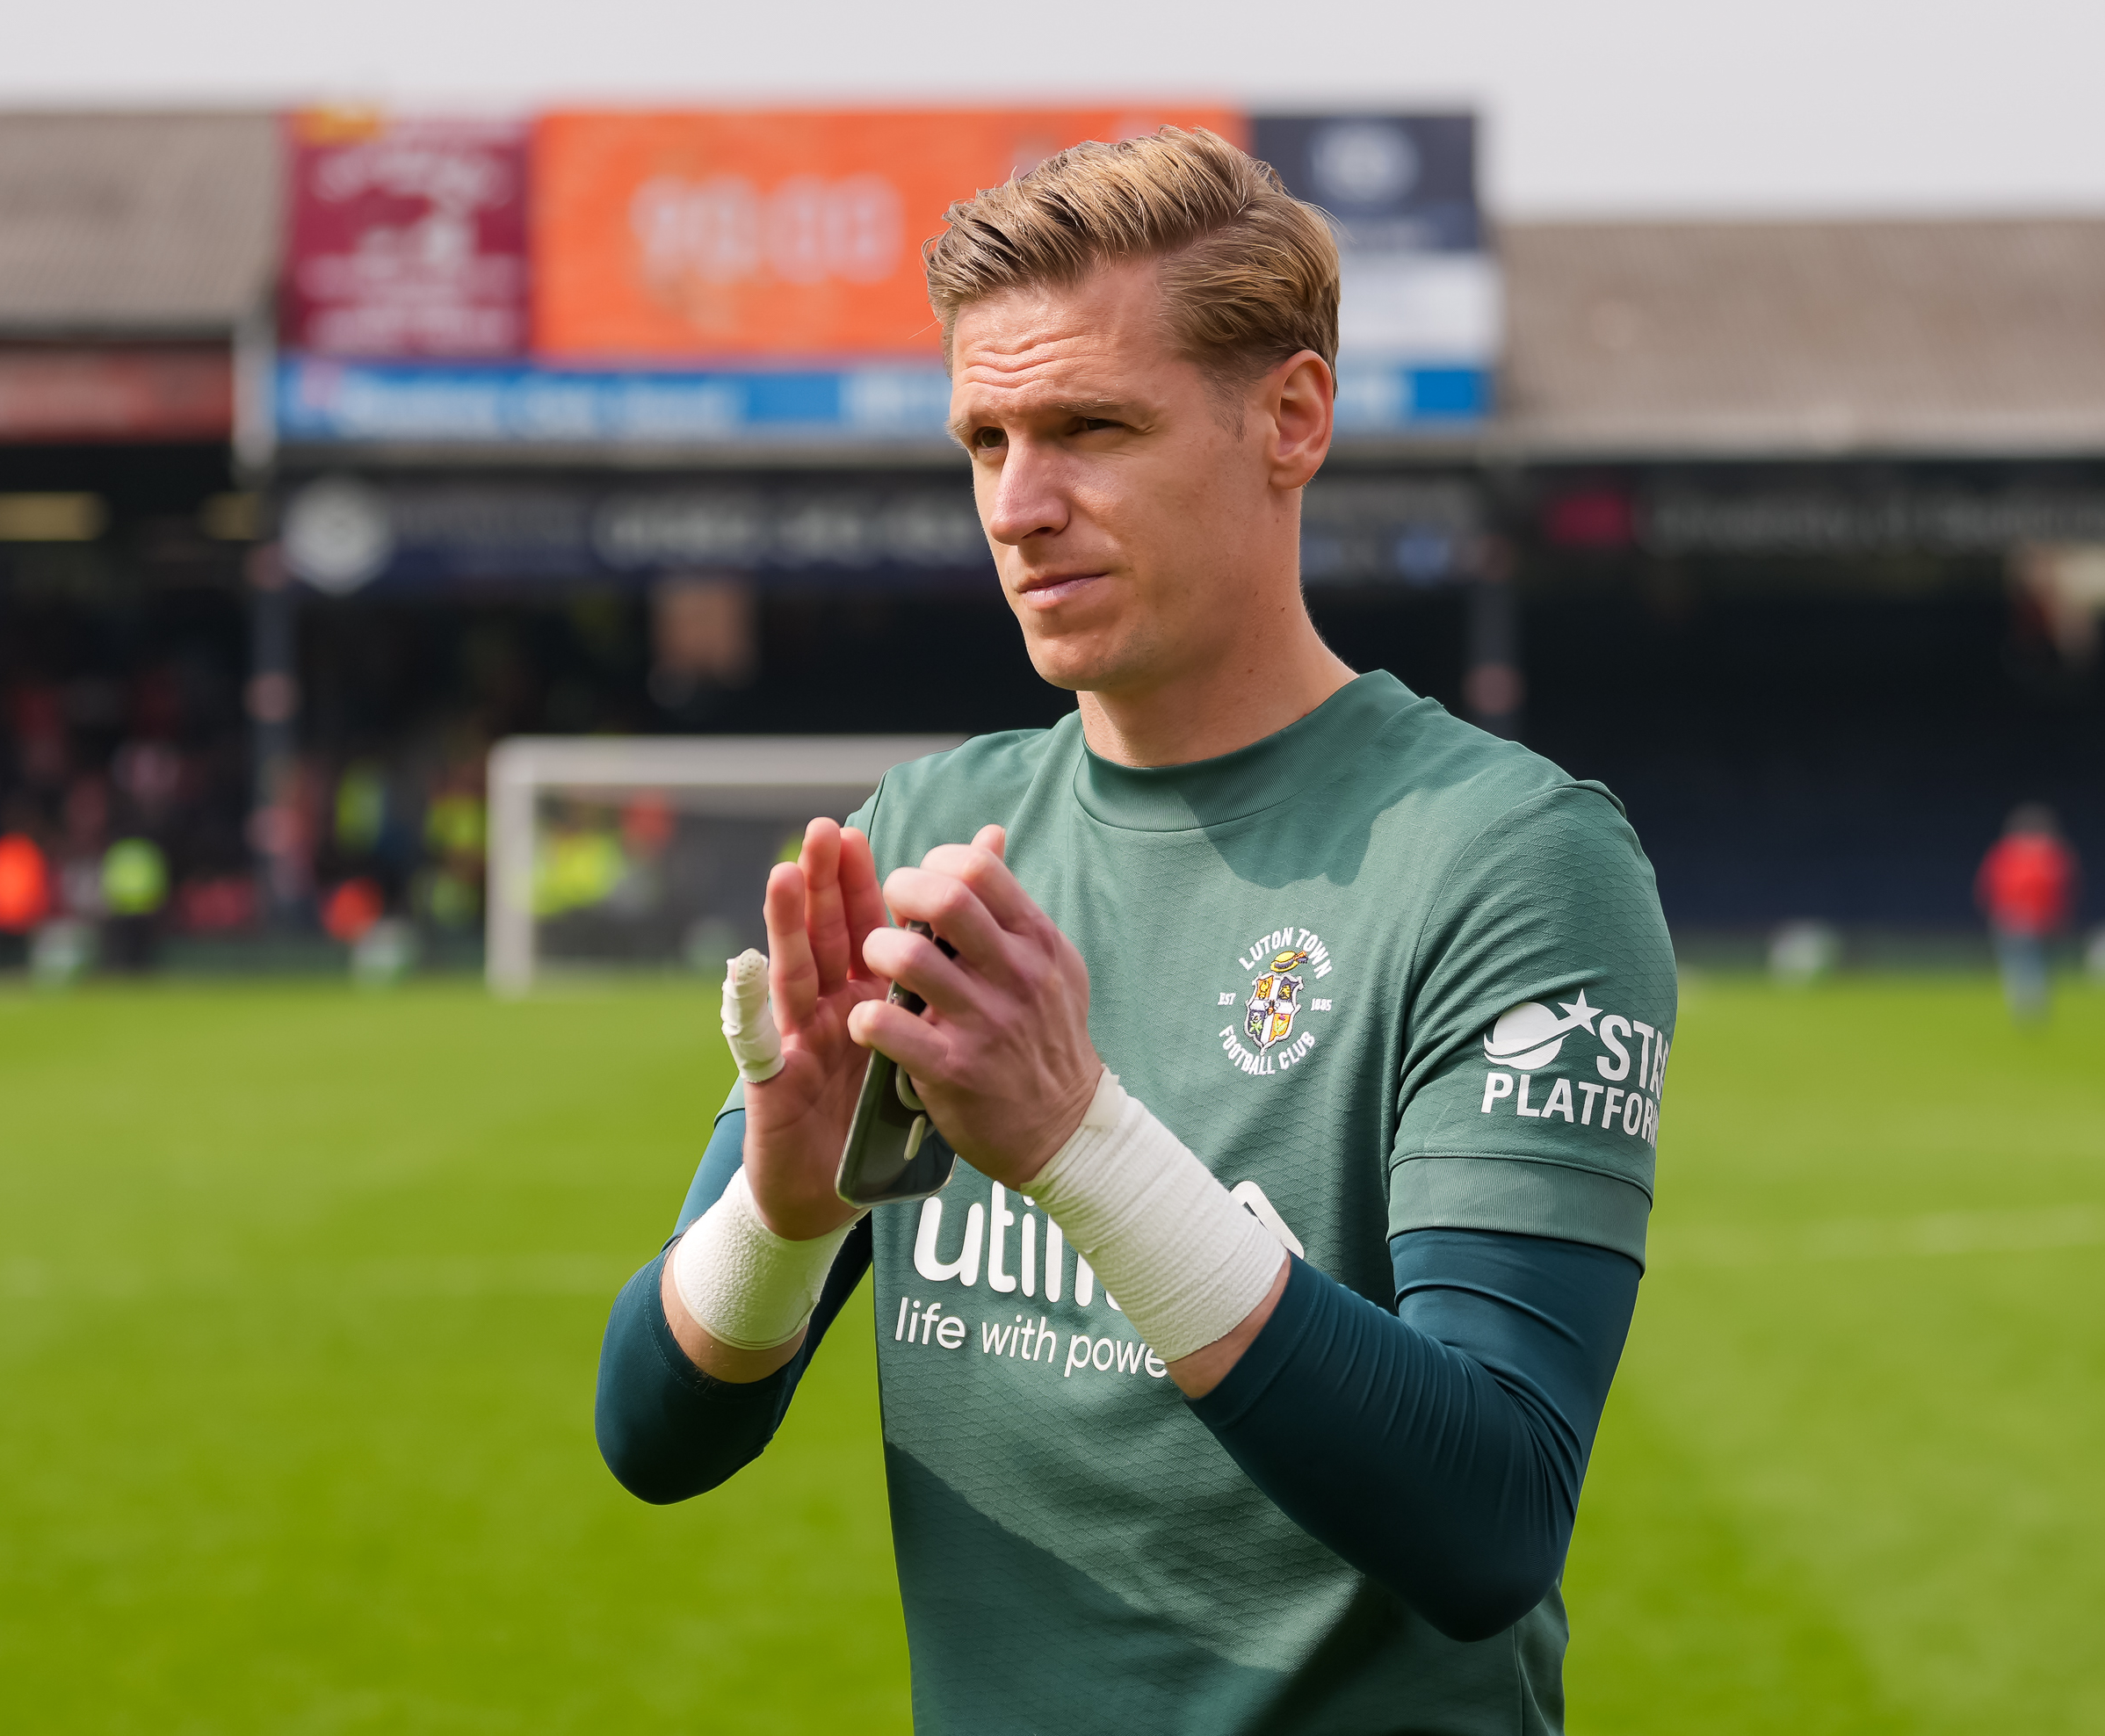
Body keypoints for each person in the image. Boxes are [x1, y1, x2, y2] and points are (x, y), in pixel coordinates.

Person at [593, 129, 1675, 1735]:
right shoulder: (929, 840)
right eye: (985, 438)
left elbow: (1491, 1516)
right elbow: (658, 1436)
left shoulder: (1507, 859)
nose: (1020, 506)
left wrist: (1081, 1143)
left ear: (1290, 419)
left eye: (1092, 426)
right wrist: (786, 1202)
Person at [1975, 803, 2076, 1024]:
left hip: (2026, 918)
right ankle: (2031, 1005)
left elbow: (1989, 885)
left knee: (2026, 963)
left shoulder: (2014, 853)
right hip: (2024, 917)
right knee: (2030, 963)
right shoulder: (2047, 854)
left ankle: (2028, 1006)